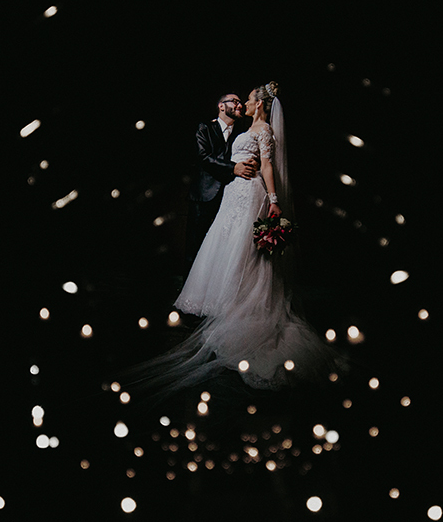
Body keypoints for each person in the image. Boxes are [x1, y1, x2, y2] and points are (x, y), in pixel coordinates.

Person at [126, 82, 344, 394]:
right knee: (224, 246)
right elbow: (209, 157)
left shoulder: (264, 130)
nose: (244, 103)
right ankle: (218, 302)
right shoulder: (232, 128)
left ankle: (240, 303)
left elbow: (267, 164)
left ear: (260, 104)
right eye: (238, 101)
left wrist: (273, 199)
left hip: (250, 192)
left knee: (244, 251)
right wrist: (235, 167)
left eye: (249, 99)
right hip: (232, 194)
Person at [185, 94, 258, 276]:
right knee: (195, 246)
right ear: (221, 106)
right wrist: (233, 168)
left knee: (219, 249)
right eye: (234, 101)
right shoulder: (205, 128)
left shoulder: (242, 134)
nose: (239, 105)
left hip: (230, 195)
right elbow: (203, 157)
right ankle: (186, 294)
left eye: (241, 102)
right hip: (204, 193)